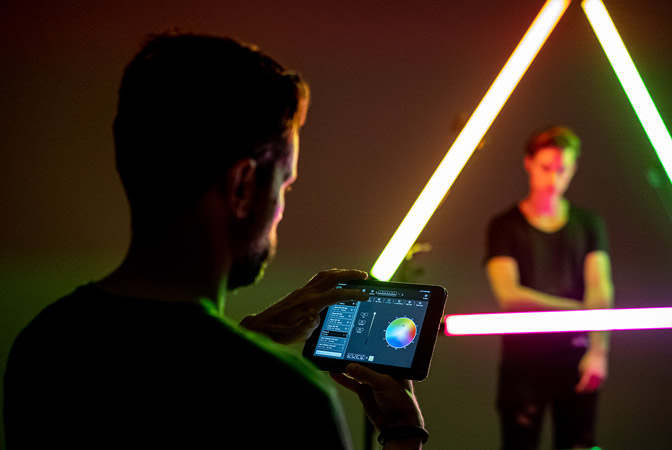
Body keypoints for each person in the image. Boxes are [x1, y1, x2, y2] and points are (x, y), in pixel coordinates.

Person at [4, 33, 427, 449]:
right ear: (242, 186)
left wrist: (251, 337)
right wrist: (403, 435)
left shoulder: (44, 344)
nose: (280, 210)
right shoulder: (288, 398)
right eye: (284, 185)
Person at [484, 126, 614, 449]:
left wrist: (598, 351)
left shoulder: (588, 224)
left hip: (575, 357)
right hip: (523, 363)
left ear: (574, 168)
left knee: (579, 445)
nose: (554, 178)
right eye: (546, 168)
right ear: (528, 163)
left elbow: (600, 287)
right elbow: (509, 296)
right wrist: (582, 312)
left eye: (562, 169)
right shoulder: (505, 226)